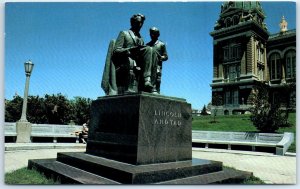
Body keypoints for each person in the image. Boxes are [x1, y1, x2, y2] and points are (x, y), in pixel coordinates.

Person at [112, 13, 158, 93]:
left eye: (141, 23)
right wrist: (129, 49)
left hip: (139, 61)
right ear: (132, 22)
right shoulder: (124, 33)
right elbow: (116, 51)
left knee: (152, 50)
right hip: (126, 60)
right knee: (149, 49)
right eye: (138, 22)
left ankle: (150, 84)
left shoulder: (141, 38)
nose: (140, 25)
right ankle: (146, 80)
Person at [146, 27, 168, 94]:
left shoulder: (161, 44)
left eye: (154, 33)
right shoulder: (147, 45)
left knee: (157, 78)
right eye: (151, 33)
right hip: (148, 65)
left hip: (157, 65)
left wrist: (161, 57)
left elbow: (166, 56)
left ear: (157, 34)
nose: (152, 35)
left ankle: (156, 90)